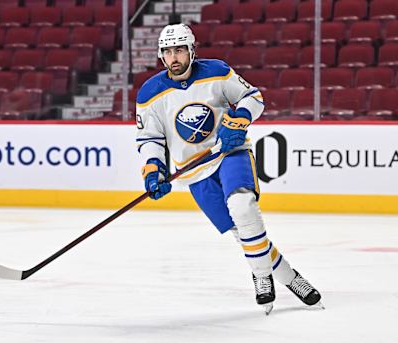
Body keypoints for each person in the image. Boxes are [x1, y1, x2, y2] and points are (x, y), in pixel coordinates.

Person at [135, 23, 322, 314]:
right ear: (161, 55)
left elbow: (253, 98)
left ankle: (261, 275)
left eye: (180, 50)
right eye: (169, 51)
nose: (175, 57)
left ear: (192, 51)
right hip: (194, 171)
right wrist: (153, 171)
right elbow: (150, 138)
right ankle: (291, 277)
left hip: (229, 154)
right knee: (242, 233)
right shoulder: (150, 93)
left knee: (243, 207)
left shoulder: (217, 72)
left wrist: (241, 120)